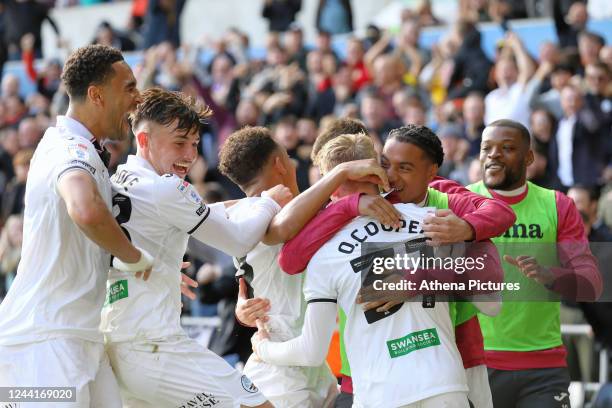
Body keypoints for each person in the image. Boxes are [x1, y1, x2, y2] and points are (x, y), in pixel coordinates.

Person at [253, 131, 503, 408]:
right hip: (444, 383)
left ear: (330, 187)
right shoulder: (435, 221)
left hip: (379, 393)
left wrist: (263, 348)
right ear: (377, 173)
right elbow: (493, 303)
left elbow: (311, 350)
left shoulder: (321, 254)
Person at [102, 88, 289, 408]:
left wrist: (161, 267)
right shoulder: (165, 188)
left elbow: (192, 215)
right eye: (179, 143)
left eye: (194, 144)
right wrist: (268, 204)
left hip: (121, 345)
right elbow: (238, 239)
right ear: (144, 140)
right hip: (155, 348)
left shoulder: (118, 178)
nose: (190, 155)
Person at [0, 44, 152, 407]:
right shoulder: (70, 151)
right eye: (128, 87)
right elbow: (85, 210)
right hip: (44, 344)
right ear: (97, 95)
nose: (137, 97)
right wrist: (134, 258)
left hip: (78, 336)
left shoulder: (82, 149)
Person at [219, 125, 400, 407]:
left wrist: (242, 304)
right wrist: (343, 182)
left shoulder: (239, 215)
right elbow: (284, 230)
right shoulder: (267, 212)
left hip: (311, 370)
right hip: (281, 367)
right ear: (281, 163)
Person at [468, 119, 602, 408]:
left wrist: (551, 276)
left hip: (543, 366)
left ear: (529, 158)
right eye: (486, 148)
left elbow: (590, 283)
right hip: (476, 364)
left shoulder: (557, 205)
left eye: (506, 148)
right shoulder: (460, 201)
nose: (493, 154)